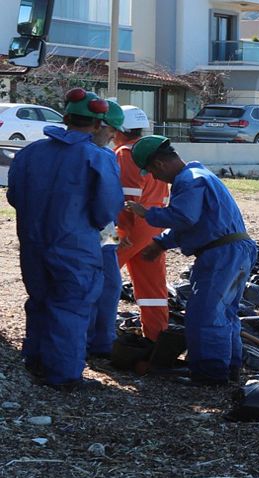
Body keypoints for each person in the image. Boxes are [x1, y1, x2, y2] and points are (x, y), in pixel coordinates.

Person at [7, 88, 123, 391]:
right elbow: (107, 210)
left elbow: (14, 196)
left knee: (40, 301)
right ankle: (64, 376)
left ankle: (35, 361)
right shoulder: (98, 157)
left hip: (33, 243)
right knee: (71, 307)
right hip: (75, 246)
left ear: (66, 118)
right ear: (98, 125)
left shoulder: (30, 152)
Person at [125, 136, 257, 386]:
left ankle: (210, 374)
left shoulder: (188, 181)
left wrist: (147, 213)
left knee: (204, 314)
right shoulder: (201, 175)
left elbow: (184, 218)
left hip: (221, 255)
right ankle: (230, 368)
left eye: (152, 171)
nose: (154, 177)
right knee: (226, 313)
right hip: (237, 250)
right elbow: (197, 223)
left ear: (159, 164)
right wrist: (161, 243)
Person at [113, 105, 170, 342]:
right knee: (153, 289)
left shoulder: (126, 153)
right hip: (154, 229)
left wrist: (114, 235)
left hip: (129, 228)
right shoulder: (154, 152)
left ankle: (92, 337)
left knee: (99, 276)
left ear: (119, 129)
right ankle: (157, 339)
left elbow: (127, 199)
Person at [86, 100, 126, 359]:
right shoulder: (103, 156)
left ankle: (95, 341)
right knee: (107, 283)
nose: (114, 135)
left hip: (102, 230)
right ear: (97, 125)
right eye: (112, 129)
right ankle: (98, 342)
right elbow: (111, 204)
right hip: (98, 229)